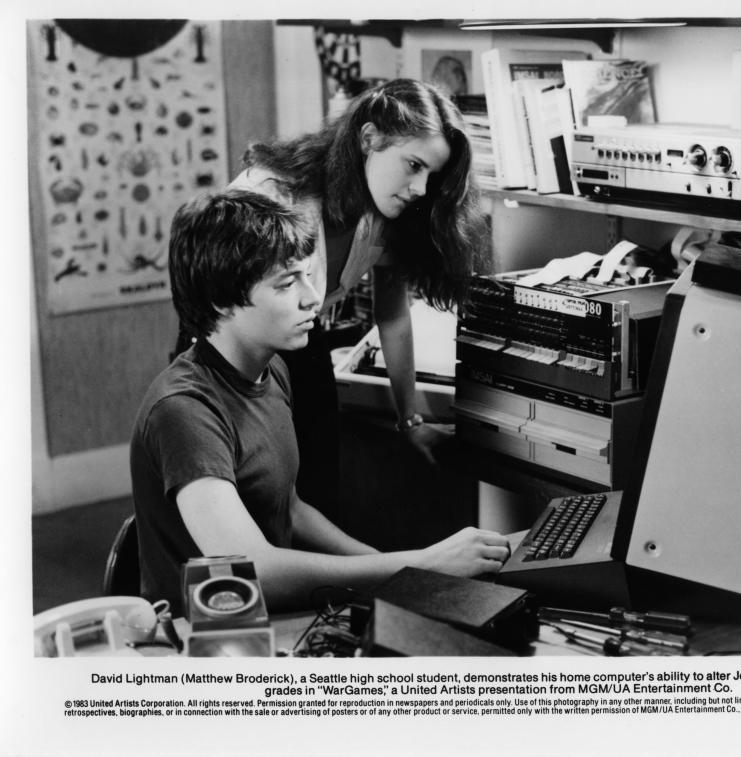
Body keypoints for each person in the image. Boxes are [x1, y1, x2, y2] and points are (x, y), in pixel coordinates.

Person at [132, 190, 509, 616]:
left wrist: (404, 572)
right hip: (209, 637)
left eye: (307, 275)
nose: (313, 297)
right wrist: (417, 564)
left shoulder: (271, 370)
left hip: (270, 616)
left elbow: (291, 510)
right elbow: (254, 572)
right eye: (287, 282)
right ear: (221, 300)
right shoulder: (184, 410)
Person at [175, 78, 489, 518]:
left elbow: (393, 315)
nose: (420, 188)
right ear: (369, 139)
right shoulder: (271, 193)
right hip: (228, 339)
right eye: (413, 165)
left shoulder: (387, 209)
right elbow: (219, 304)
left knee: (317, 485)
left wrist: (410, 413)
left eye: (431, 175)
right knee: (242, 490)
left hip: (301, 336)